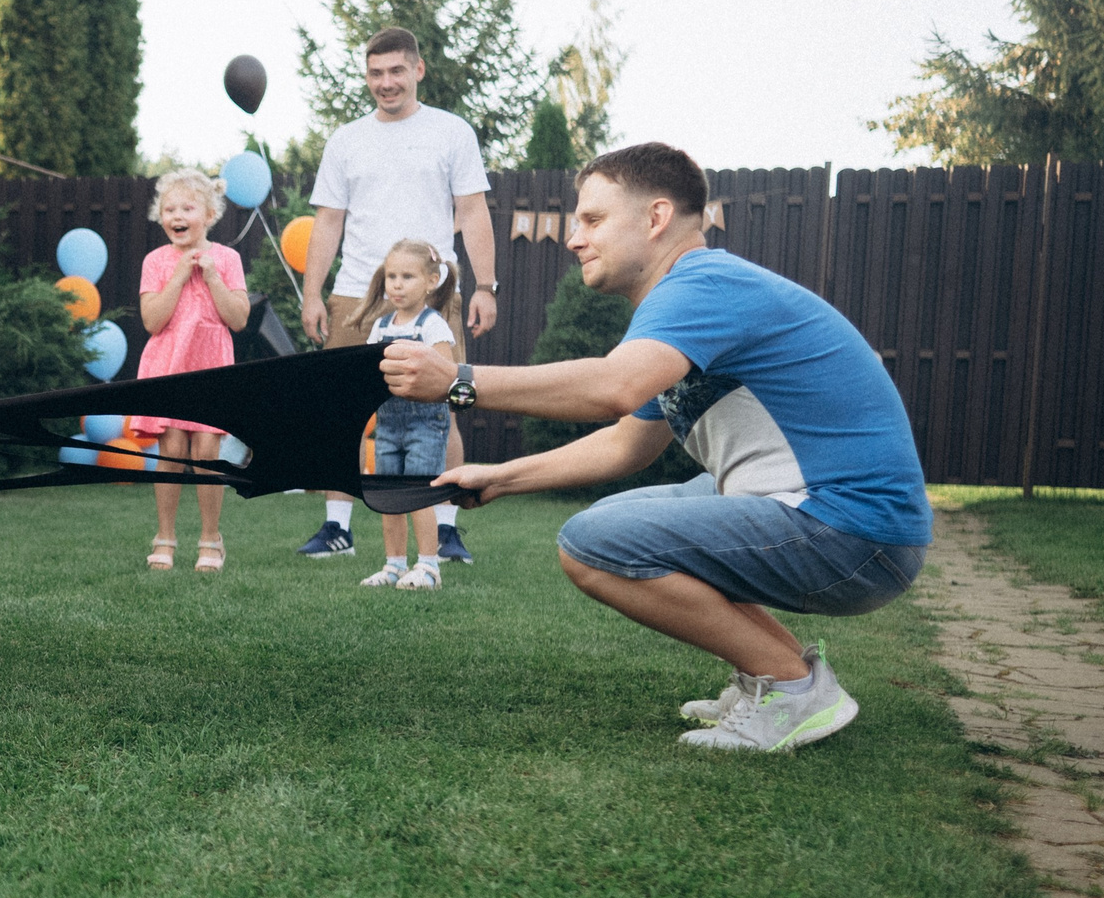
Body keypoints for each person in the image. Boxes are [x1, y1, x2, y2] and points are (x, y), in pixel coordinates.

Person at [379, 142, 931, 752]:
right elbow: (628, 445)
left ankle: (794, 688)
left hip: (855, 532)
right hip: (843, 526)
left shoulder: (703, 285)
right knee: (611, 521)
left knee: (593, 542)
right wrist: (501, 477)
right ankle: (768, 674)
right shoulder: (686, 304)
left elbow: (617, 387)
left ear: (656, 218)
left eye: (592, 220)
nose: (574, 239)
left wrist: (457, 380)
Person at [299, 28, 498, 564]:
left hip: (434, 294)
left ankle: (447, 528)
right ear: (367, 76)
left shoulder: (451, 132)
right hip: (356, 295)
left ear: (418, 70)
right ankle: (337, 527)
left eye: (396, 71)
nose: (386, 83)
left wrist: (485, 286)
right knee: (343, 411)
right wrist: (313, 292)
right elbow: (328, 221)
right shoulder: (346, 140)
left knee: (445, 406)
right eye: (375, 73)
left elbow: (474, 211)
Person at [131, 169, 251, 571]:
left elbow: (238, 319)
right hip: (169, 368)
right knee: (173, 449)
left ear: (210, 214)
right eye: (168, 208)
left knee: (205, 452)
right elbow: (152, 321)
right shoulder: (156, 261)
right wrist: (180, 276)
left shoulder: (228, 258)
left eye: (187, 207)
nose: (176, 215)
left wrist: (213, 277)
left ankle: (210, 539)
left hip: (211, 367)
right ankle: (164, 537)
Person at [356, 239, 460, 592]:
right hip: (387, 425)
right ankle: (393, 565)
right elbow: (370, 372)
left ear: (431, 281)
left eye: (408, 277)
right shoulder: (381, 327)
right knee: (389, 497)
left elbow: (446, 375)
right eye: (391, 276)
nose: (397, 284)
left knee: (418, 493)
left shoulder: (433, 327)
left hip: (425, 423)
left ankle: (429, 566)